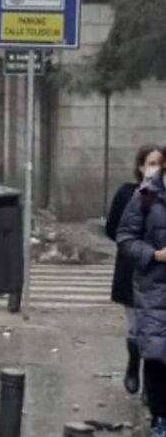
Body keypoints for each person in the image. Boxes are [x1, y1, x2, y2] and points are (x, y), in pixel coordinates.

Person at [107, 144, 162, 395]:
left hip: (157, 278)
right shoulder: (129, 194)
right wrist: (143, 250)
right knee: (135, 328)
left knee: (155, 332)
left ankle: (153, 391)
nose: (156, 169)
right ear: (140, 167)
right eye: (151, 163)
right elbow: (115, 230)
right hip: (131, 270)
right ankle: (133, 365)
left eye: (160, 164)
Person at [118, 155, 166, 435]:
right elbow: (125, 236)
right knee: (158, 356)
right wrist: (154, 255)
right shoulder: (145, 197)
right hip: (155, 290)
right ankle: (160, 417)